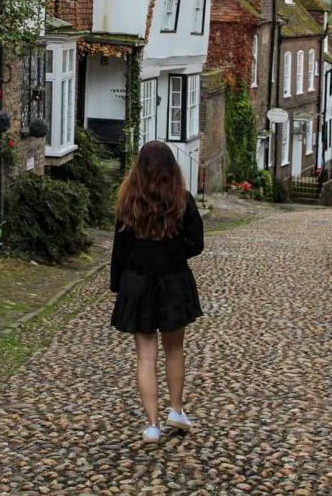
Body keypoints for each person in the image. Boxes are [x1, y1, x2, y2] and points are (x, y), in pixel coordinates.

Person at [110, 141, 204, 444]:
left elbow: (119, 251)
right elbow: (197, 243)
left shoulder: (128, 202)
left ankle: (152, 425)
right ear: (171, 169)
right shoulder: (182, 201)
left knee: (145, 357)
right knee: (174, 351)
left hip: (137, 284)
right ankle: (175, 410)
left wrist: (118, 286)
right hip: (173, 283)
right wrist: (175, 253)